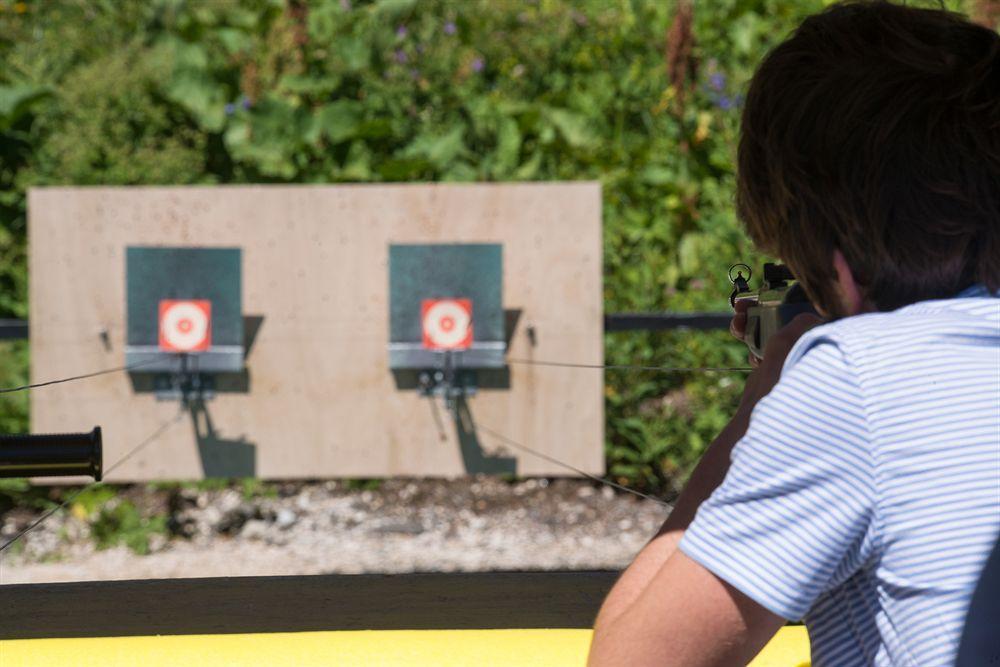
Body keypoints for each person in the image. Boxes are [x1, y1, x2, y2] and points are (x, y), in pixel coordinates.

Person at [588, 2, 1000, 665]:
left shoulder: (854, 378)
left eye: (792, 264)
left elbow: (632, 658)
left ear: (836, 265)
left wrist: (768, 396)